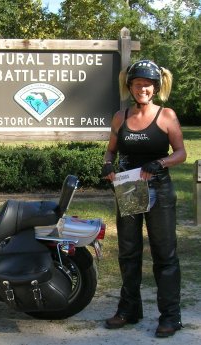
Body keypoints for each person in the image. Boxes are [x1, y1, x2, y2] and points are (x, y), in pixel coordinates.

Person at [101, 60, 187, 338]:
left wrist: (160, 163)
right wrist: (108, 165)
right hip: (129, 188)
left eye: (148, 85)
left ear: (156, 87)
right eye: (138, 84)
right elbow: (110, 151)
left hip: (158, 190)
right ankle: (129, 309)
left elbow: (181, 153)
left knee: (164, 254)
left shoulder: (166, 116)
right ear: (130, 86)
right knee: (128, 251)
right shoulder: (120, 117)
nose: (143, 89)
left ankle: (171, 317)